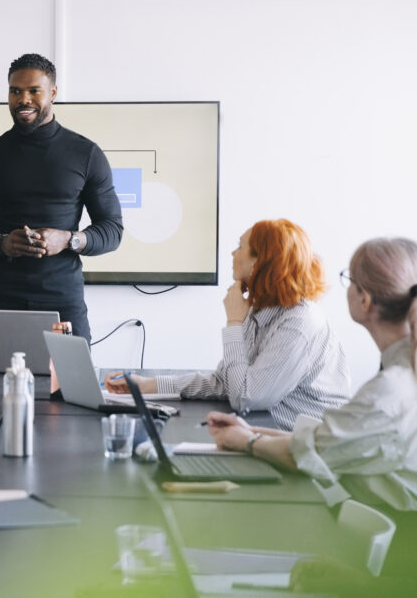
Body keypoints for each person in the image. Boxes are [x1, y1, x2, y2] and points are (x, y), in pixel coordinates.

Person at [207, 236, 417, 589]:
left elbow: (306, 451)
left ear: (364, 299)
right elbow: (327, 442)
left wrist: (246, 441)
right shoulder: (398, 376)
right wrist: (251, 432)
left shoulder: (391, 392)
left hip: (400, 557)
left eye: (348, 279)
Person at [106, 219, 350, 430]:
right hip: (264, 432)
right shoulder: (262, 309)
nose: (232, 254)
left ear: (260, 262)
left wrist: (233, 322)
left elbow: (245, 396)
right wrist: (147, 385)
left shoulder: (299, 323)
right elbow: (226, 382)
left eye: (239, 247)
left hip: (304, 450)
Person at [0, 53, 123, 341]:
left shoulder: (86, 153)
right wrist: (1, 243)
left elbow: (112, 230)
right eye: (15, 91)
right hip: (2, 301)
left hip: (63, 303)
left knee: (69, 387)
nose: (23, 100)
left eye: (34, 90)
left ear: (53, 93)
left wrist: (69, 239)